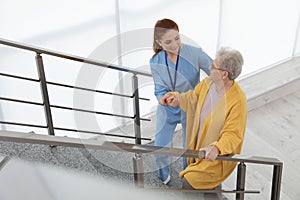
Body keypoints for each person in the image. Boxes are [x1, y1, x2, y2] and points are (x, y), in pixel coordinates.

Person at [161, 47, 247, 190]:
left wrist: (217, 147)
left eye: (214, 66)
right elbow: (193, 98)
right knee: (206, 187)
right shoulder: (208, 83)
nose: (209, 67)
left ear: (224, 74)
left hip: (217, 156)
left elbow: (233, 134)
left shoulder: (238, 100)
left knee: (189, 181)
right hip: (199, 150)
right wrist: (177, 98)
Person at [150, 18, 212, 185]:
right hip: (167, 108)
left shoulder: (195, 53)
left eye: (177, 38)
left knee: (190, 149)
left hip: (190, 107)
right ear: (159, 43)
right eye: (168, 42)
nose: (175, 44)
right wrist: (163, 98)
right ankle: (164, 176)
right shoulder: (155, 62)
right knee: (160, 148)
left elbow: (214, 72)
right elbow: (159, 88)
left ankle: (188, 175)